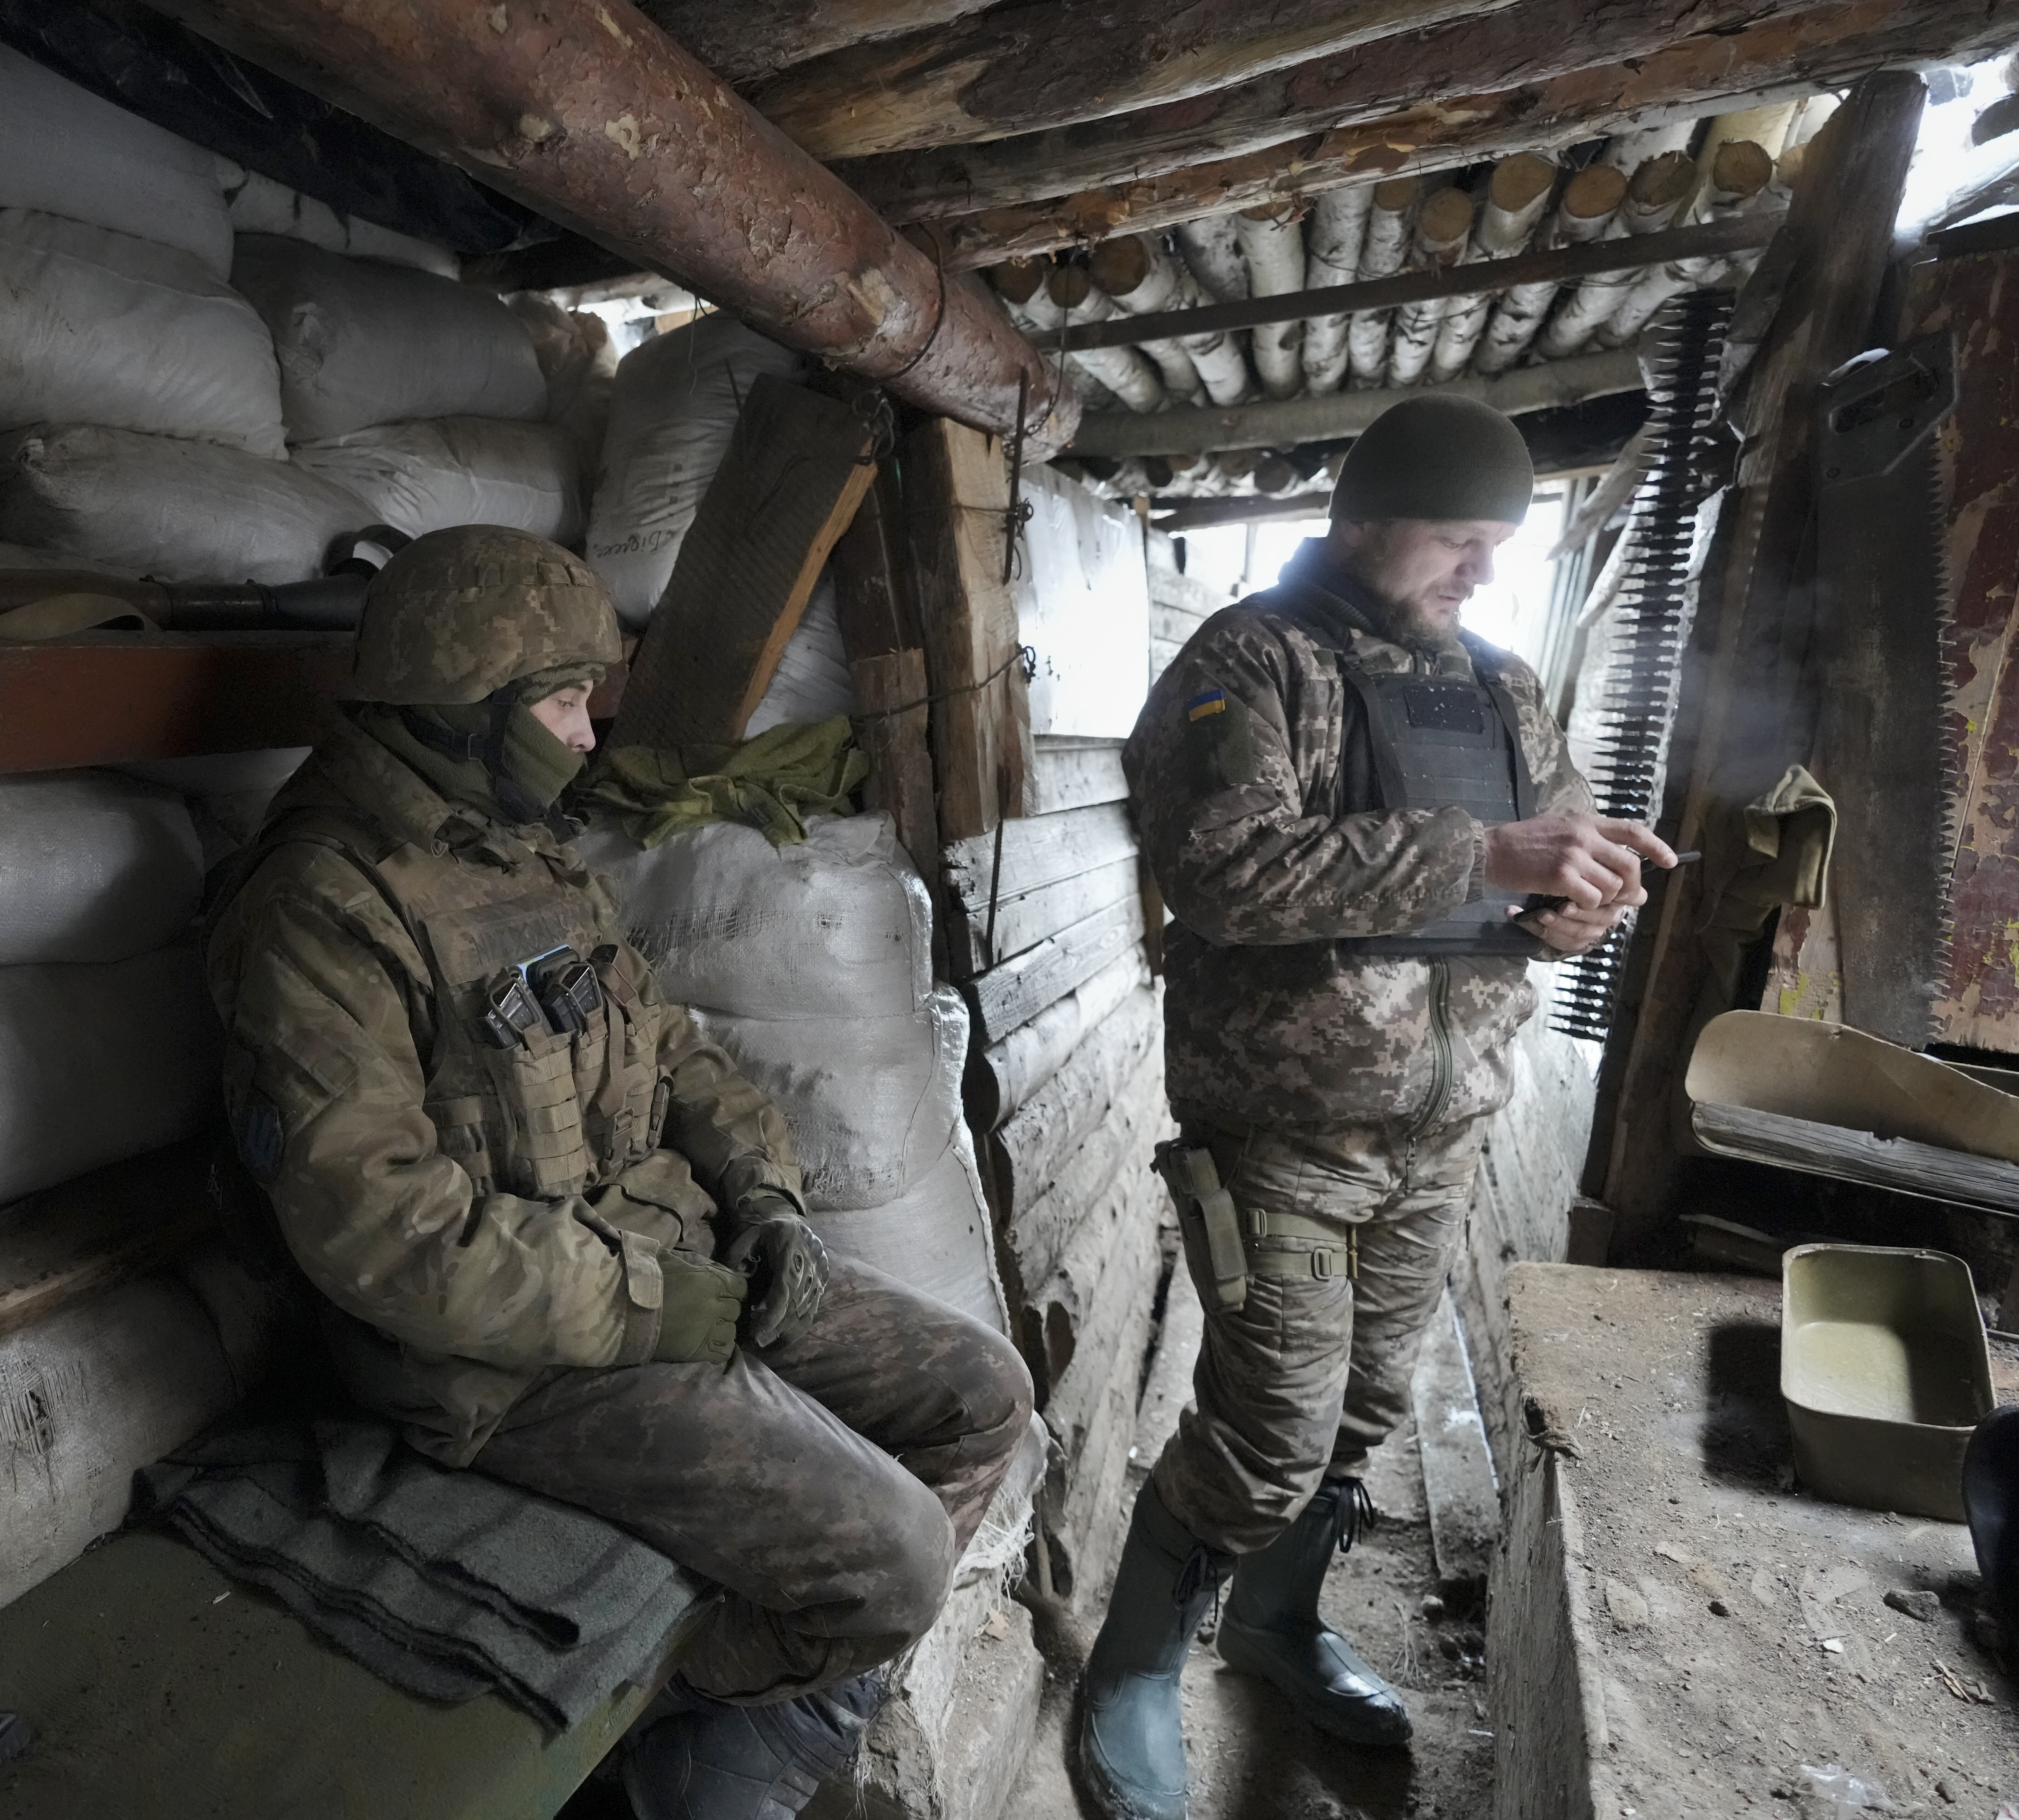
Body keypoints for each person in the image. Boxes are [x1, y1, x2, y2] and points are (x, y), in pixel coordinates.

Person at [204, 525, 1035, 1820]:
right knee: (896, 1561)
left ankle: (737, 1726)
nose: (590, 736)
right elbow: (382, 1229)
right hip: (502, 1361)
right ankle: (682, 1768)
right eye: (563, 703)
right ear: (462, 708)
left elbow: (679, 1056)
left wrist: (766, 1200)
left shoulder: (519, 851)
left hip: (668, 1271)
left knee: (983, 1395)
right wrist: (652, 1305)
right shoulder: (323, 909)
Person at [1078, 395, 1675, 1820]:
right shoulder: (1249, 662)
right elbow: (1223, 870)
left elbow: (1543, 863)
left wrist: (1574, 906)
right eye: (1457, 541)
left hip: (1444, 1120)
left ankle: (1277, 1630)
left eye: (1497, 548)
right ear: (1359, 522)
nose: (1480, 572)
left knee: (1358, 1416)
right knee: (1268, 1430)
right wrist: (1486, 848)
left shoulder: (1504, 684)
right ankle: (1134, 1668)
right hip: (1285, 1131)